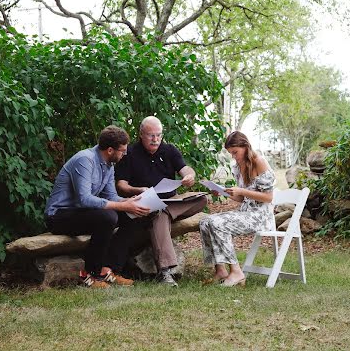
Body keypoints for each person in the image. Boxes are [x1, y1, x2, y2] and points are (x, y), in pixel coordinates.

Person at [45, 125, 150, 289]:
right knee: (107, 217)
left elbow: (111, 197)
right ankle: (89, 274)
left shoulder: (109, 165)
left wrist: (130, 202)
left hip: (83, 214)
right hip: (59, 216)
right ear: (110, 150)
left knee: (133, 215)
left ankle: (108, 269)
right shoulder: (85, 160)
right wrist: (123, 206)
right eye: (122, 151)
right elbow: (84, 199)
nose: (124, 154)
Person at [115, 116, 207, 286]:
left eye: (159, 135)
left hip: (170, 202)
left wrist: (189, 175)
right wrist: (139, 190)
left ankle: (164, 210)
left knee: (201, 198)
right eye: (151, 135)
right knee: (159, 213)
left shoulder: (169, 150)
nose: (156, 139)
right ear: (141, 134)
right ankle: (165, 272)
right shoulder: (130, 153)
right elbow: (121, 185)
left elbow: (185, 168)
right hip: (145, 204)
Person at [199, 131, 275, 287]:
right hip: (245, 212)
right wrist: (223, 192)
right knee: (205, 222)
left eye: (235, 152)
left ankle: (236, 272)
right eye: (230, 153)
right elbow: (241, 198)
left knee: (218, 223)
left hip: (261, 216)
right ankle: (220, 270)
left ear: (245, 146)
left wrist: (242, 191)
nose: (233, 156)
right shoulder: (238, 167)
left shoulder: (259, 161)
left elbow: (268, 197)